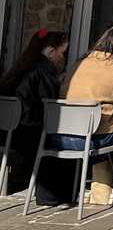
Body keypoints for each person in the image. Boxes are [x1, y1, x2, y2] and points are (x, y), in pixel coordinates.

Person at [60, 27, 113, 205]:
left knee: (102, 126)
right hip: (93, 139)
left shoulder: (78, 64)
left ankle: (102, 186)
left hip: (63, 136)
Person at [0, 30, 69, 197]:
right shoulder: (43, 70)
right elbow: (50, 104)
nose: (63, 57)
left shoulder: (22, 65)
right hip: (28, 132)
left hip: (8, 131)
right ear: (51, 51)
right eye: (62, 52)